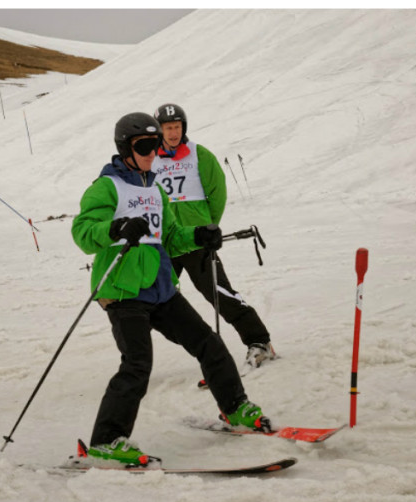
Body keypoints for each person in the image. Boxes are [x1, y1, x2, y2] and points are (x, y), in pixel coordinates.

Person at [71, 112, 270, 467]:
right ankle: (105, 442)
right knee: (137, 363)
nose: (152, 152)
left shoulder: (155, 189)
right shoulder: (106, 187)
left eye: (156, 145)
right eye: (144, 146)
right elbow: (83, 232)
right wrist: (115, 229)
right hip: (121, 290)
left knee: (208, 342)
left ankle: (235, 408)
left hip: (160, 288)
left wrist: (199, 234)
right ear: (126, 148)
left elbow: (172, 238)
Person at [152, 102, 275, 370]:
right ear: (159, 130)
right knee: (156, 300)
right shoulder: (151, 158)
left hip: (196, 241)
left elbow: (217, 194)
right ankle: (197, 351)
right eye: (168, 128)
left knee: (219, 293)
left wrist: (208, 226)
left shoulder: (199, 155)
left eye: (177, 127)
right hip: (164, 243)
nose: (173, 133)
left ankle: (259, 341)